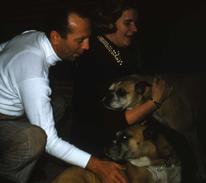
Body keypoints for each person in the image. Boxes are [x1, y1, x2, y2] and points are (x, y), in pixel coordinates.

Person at [0, 6, 128, 183]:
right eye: (80, 40)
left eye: (88, 38)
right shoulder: (33, 73)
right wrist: (97, 165)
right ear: (55, 37)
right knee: (35, 139)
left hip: (12, 105)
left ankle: (27, 162)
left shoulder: (32, 35)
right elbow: (51, 142)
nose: (87, 46)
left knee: (58, 104)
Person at [71, 0, 171, 157]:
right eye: (128, 23)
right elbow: (109, 120)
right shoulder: (93, 56)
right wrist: (154, 103)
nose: (135, 29)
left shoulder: (126, 49)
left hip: (130, 131)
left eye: (135, 23)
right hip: (100, 142)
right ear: (110, 22)